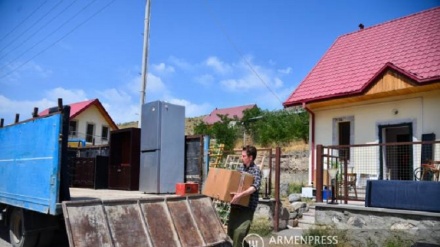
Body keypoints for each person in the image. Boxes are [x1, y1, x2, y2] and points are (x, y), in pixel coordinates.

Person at [228, 145, 262, 247]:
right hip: (236, 206)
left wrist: (240, 195)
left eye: (243, 156)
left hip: (247, 208)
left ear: (250, 157)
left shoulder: (256, 171)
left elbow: (254, 186)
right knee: (230, 234)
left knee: (239, 234)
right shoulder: (240, 169)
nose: (241, 158)